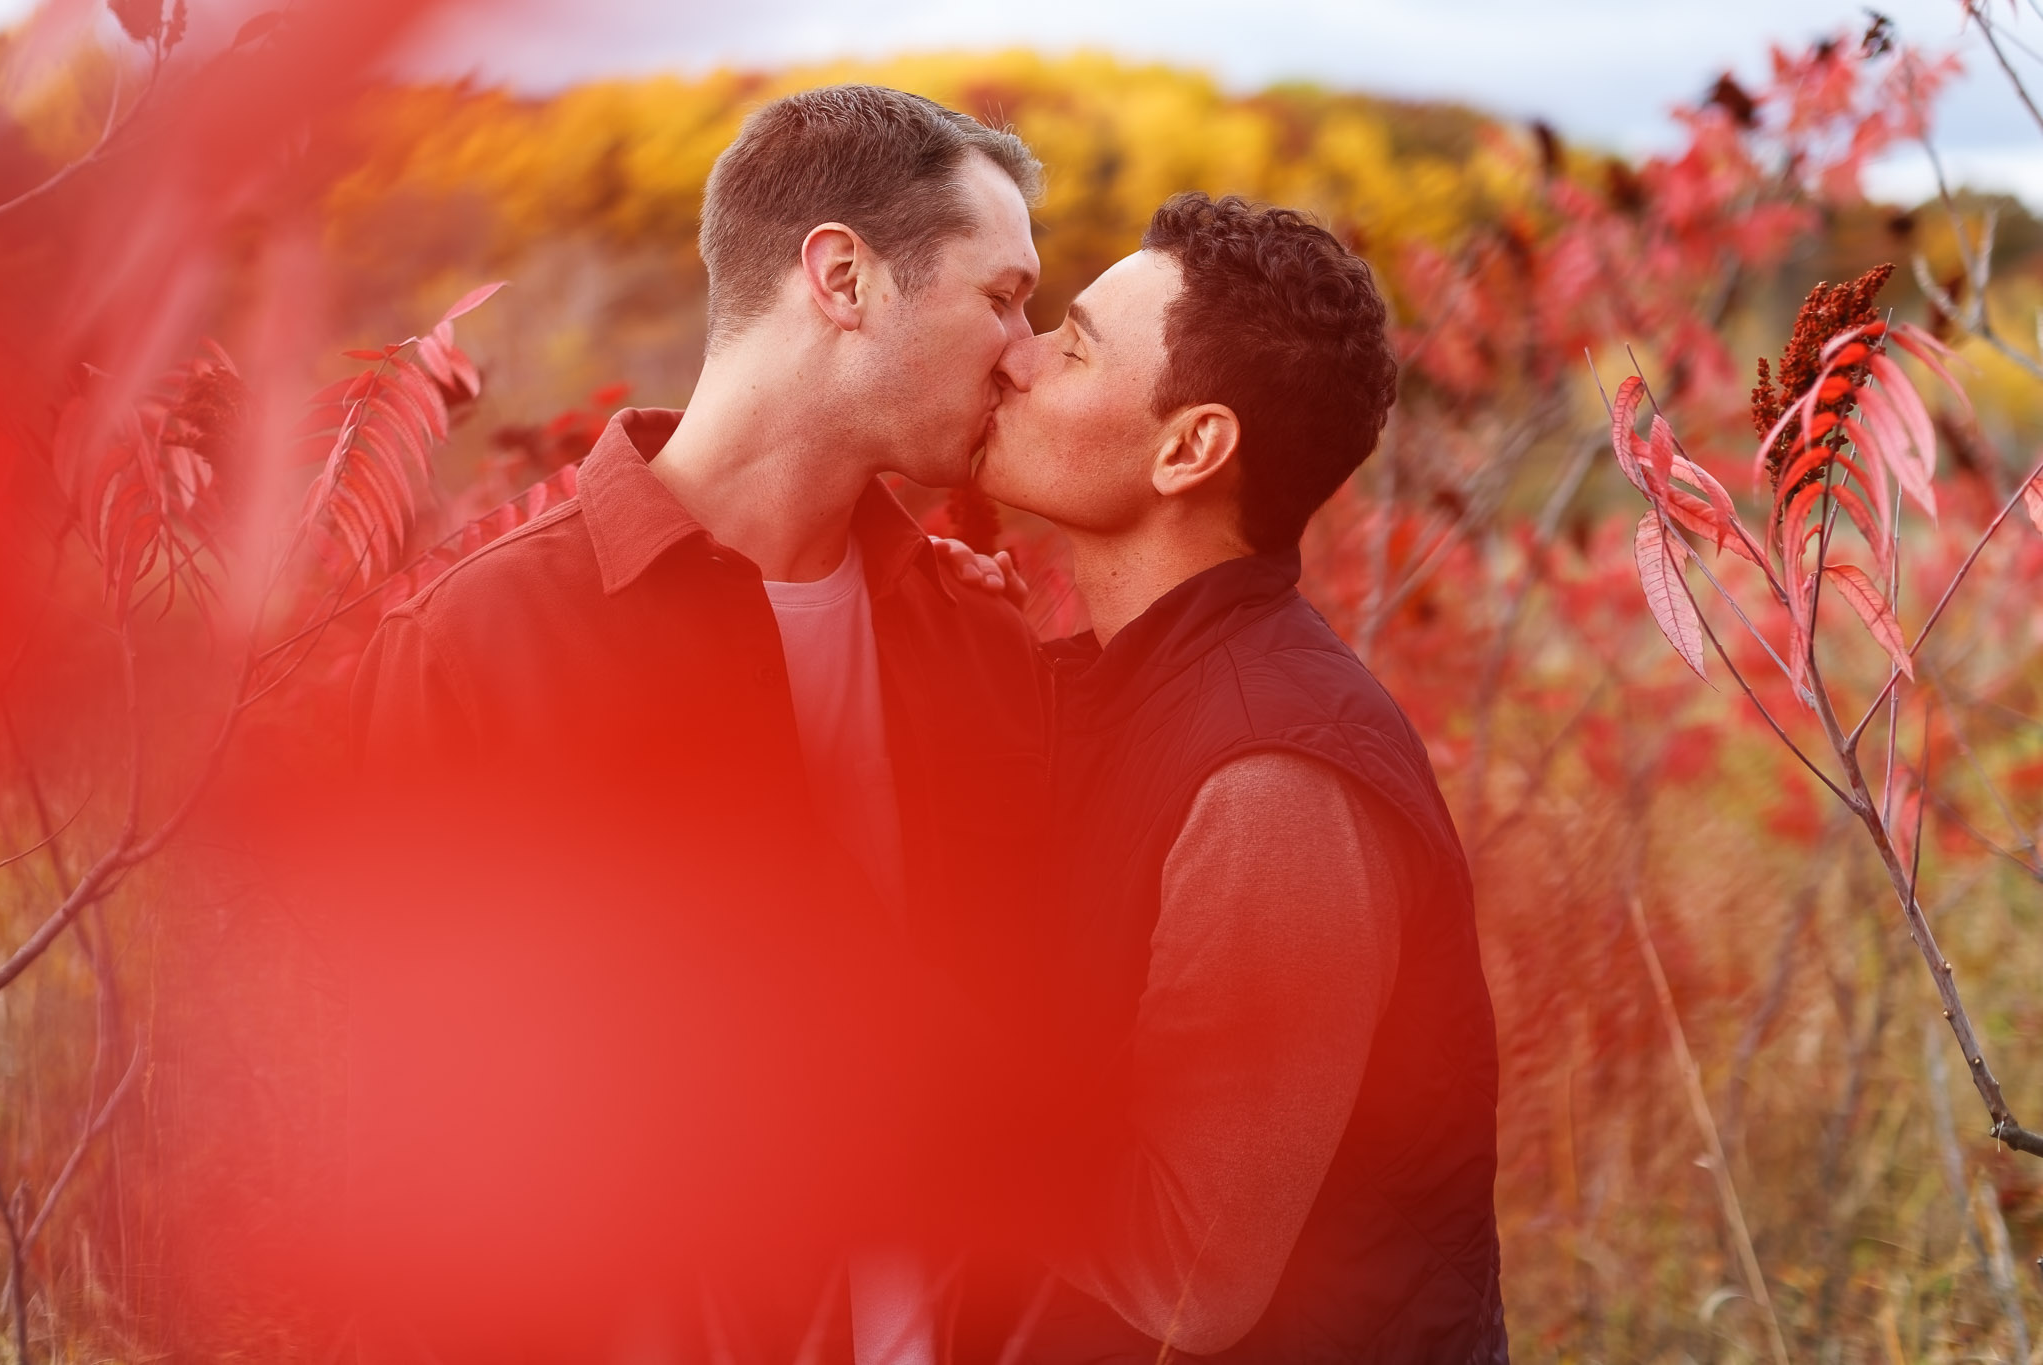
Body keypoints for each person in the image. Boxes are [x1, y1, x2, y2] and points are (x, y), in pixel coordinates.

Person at [345, 85, 1054, 1363]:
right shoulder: (478, 649)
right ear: (842, 276)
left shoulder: (984, 639)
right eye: (1002, 297)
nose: (1027, 349)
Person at [976, 192, 1507, 1362]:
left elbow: (1187, 1278)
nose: (1011, 362)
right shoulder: (1112, 692)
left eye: (1069, 348)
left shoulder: (1271, 775)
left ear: (1188, 448)